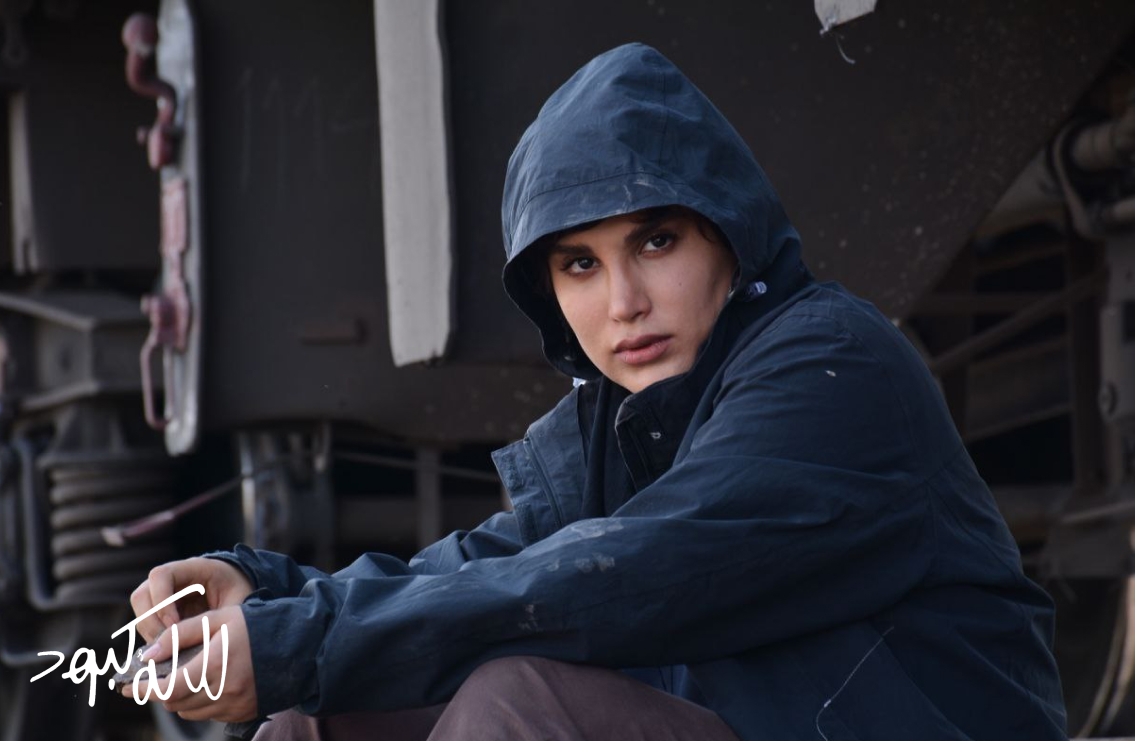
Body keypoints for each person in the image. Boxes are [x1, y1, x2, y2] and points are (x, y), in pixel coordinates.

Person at [123, 43, 1067, 741]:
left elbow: (620, 575)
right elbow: (482, 569)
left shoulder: (831, 367)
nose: (622, 302)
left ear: (728, 235)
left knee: (517, 706)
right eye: (579, 263)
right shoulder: (619, 430)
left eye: (656, 241)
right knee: (318, 723)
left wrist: (303, 640)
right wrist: (269, 597)